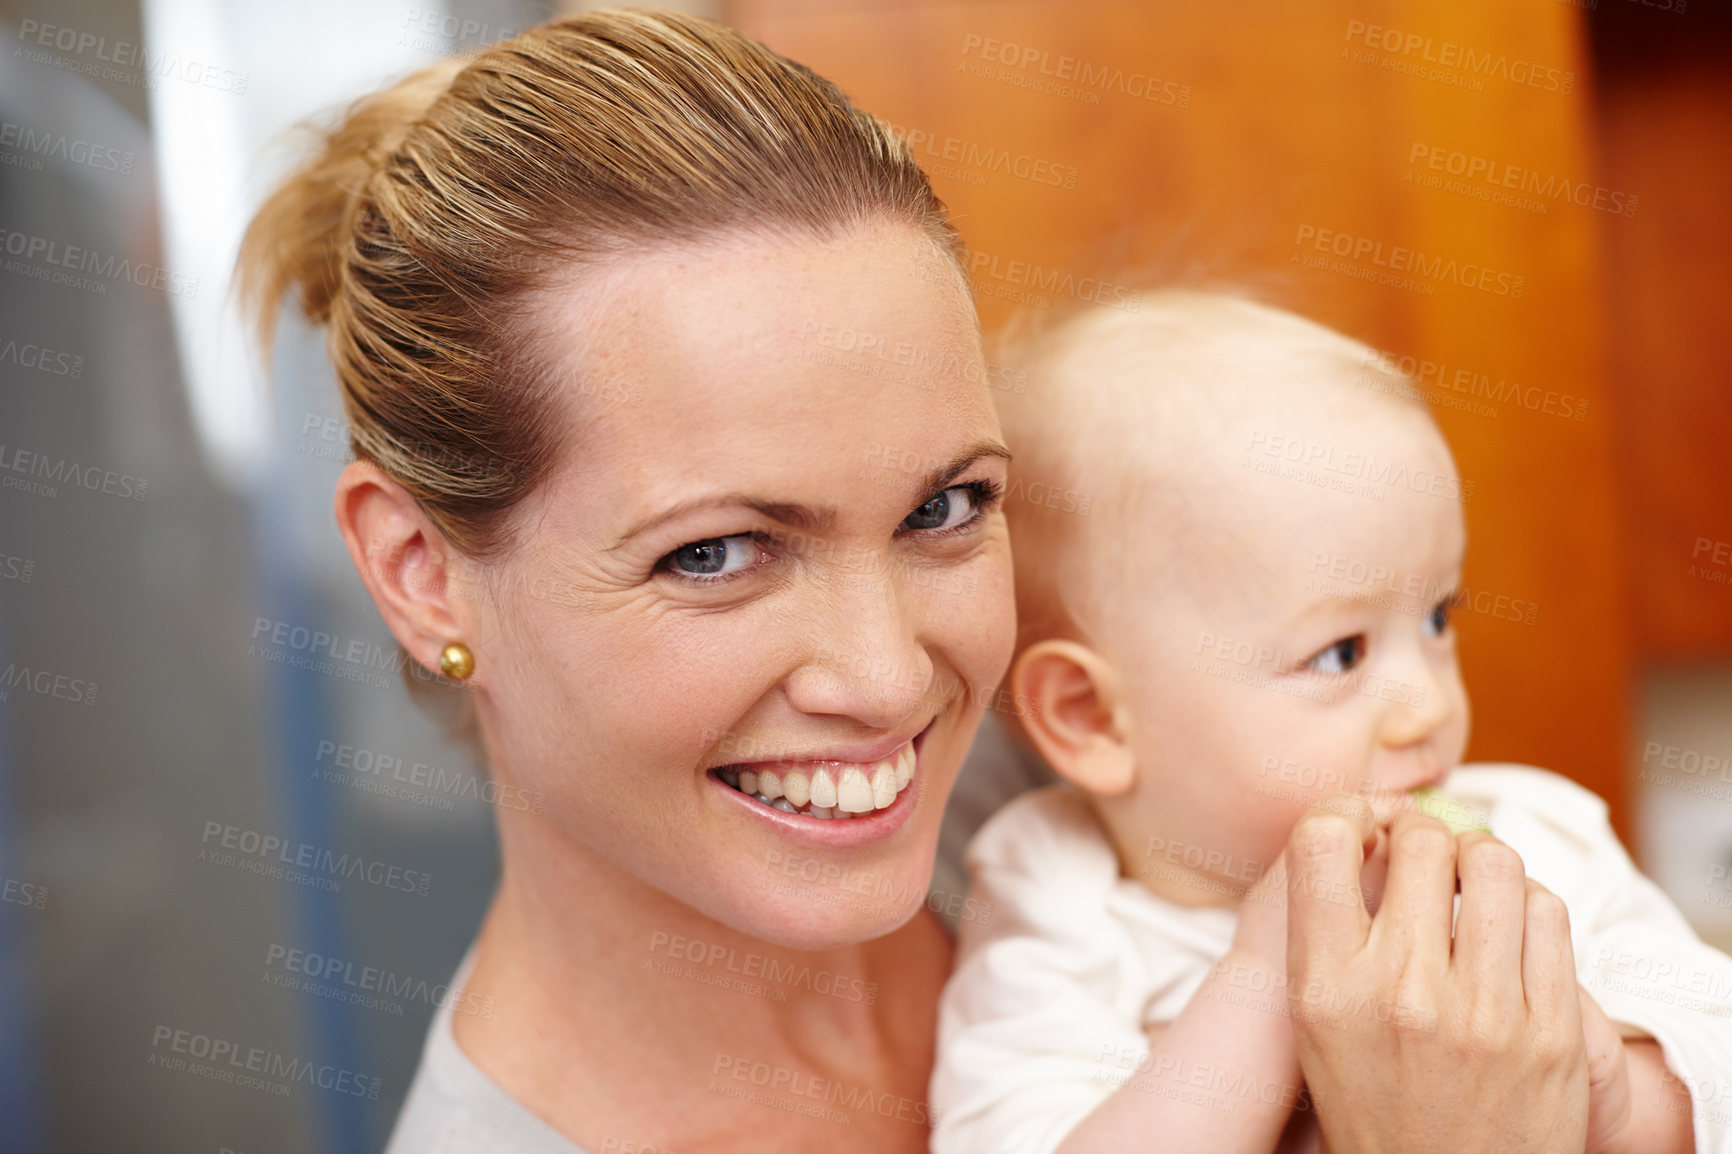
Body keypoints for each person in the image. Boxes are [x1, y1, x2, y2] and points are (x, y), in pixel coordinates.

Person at [240, 12, 1015, 1151]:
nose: (889, 680)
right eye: (714, 551)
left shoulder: (1075, 797)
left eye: (942, 509)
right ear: (422, 577)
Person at [930, 291, 1730, 1154]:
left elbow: (1713, 1042)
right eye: (1341, 653)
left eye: (1436, 619)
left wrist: (1603, 1099)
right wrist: (1270, 980)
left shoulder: (1531, 835)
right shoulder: (1053, 891)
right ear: (1093, 719)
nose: (1427, 705)